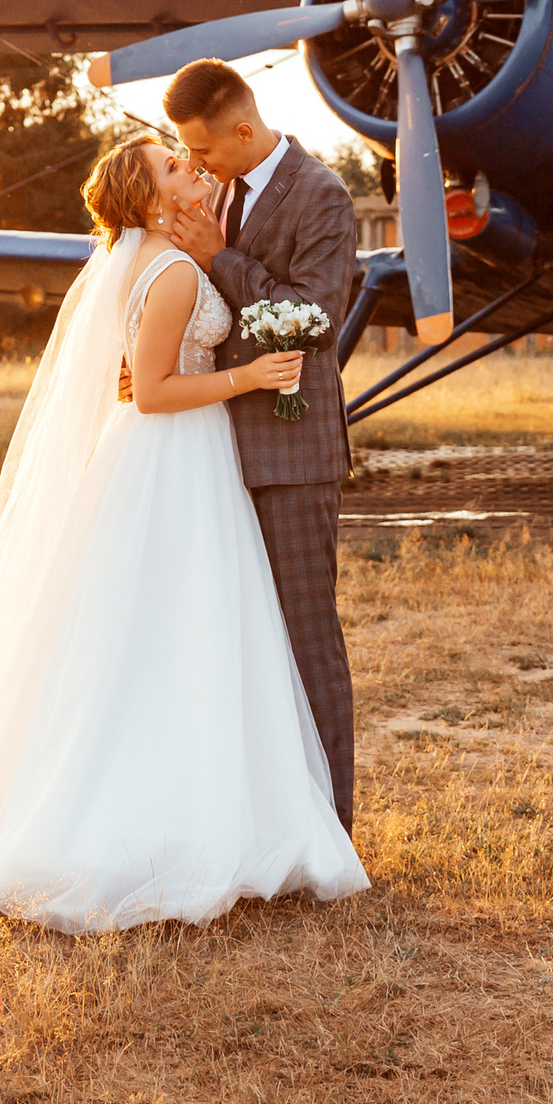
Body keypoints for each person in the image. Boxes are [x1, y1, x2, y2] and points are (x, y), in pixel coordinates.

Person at [0, 134, 367, 933]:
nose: (191, 166)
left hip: (175, 457)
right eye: (175, 166)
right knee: (185, 628)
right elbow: (149, 391)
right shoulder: (175, 269)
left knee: (155, 633)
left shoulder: (153, 257)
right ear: (151, 201)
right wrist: (248, 374)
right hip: (173, 457)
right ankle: (166, 818)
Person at [158, 59, 363, 831]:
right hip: (204, 449)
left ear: (244, 130)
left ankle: (328, 828)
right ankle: (247, 822)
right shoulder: (211, 189)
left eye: (204, 152)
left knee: (306, 639)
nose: (195, 166)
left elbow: (313, 322)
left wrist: (220, 257)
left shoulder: (324, 195)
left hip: (289, 454)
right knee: (227, 643)